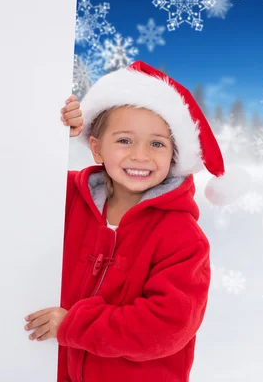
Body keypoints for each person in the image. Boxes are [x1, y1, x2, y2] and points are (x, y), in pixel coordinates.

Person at [23, 60, 241, 382]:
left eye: (157, 143)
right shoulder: (67, 198)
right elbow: (20, 174)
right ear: (97, 148)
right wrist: (55, 131)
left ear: (174, 156)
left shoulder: (182, 237)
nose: (141, 155)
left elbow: (165, 327)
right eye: (125, 140)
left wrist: (74, 325)